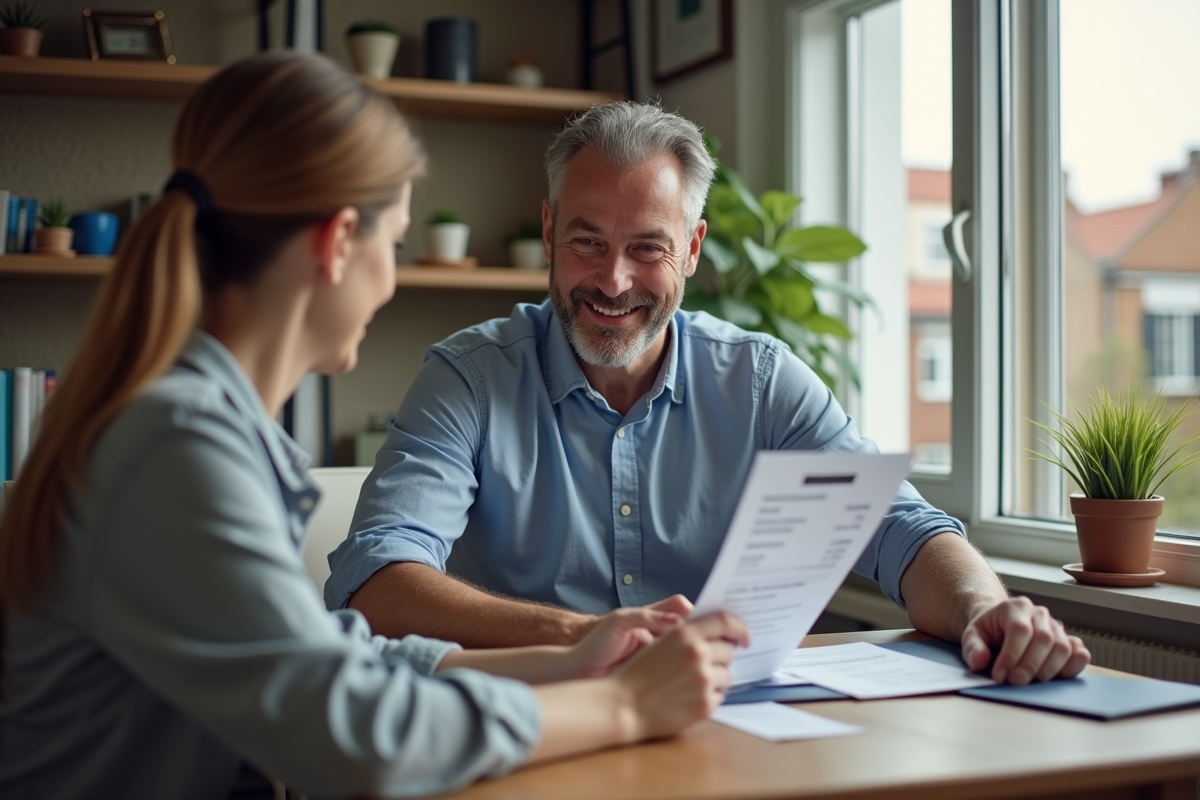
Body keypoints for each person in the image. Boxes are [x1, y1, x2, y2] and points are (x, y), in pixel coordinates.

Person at [0, 55, 750, 800]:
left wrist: (577, 653)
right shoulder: (177, 450)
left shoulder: (193, 426)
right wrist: (626, 705)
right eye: (392, 244)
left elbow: (332, 659)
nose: (389, 281)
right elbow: (352, 730)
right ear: (336, 242)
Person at [328, 100, 1091, 687]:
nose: (613, 280)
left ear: (691, 250)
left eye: (647, 248)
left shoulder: (760, 380)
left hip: (711, 734)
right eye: (587, 241)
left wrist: (986, 610)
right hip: (526, 718)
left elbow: (900, 528)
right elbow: (376, 580)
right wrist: (584, 638)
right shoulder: (469, 378)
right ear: (550, 229)